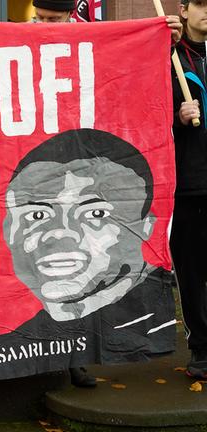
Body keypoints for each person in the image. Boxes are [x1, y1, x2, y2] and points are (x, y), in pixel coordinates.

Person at [5, 129, 177, 376]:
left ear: (145, 227)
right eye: (37, 215)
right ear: (8, 230)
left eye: (95, 214)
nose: (60, 233)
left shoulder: (152, 321)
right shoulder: (13, 337)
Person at [171, 0, 207, 380]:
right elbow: (141, 113)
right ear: (183, 9)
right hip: (190, 183)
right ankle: (201, 348)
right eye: (200, 3)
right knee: (193, 271)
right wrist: (176, 117)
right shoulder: (168, 58)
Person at [0, 0, 183, 45]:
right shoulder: (22, 34)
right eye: (39, 17)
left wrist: (165, 41)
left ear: (70, 15)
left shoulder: (89, 37)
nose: (43, 24)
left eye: (53, 19)